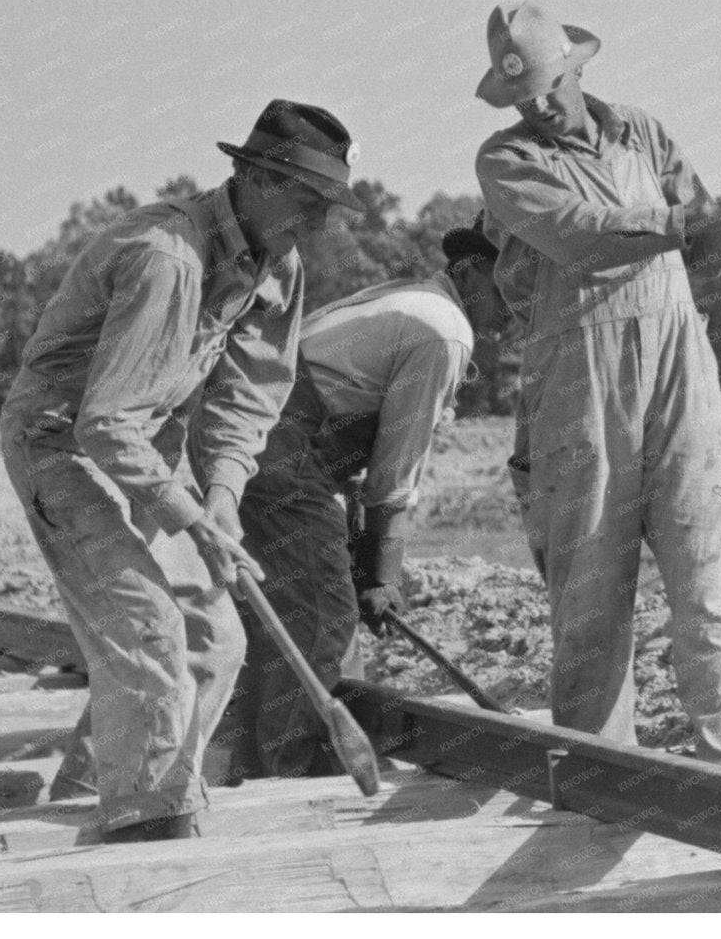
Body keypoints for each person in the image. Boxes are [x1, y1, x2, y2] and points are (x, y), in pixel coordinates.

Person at [1, 100, 358, 843]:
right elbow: (104, 420)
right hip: (60, 446)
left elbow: (247, 396)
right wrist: (186, 512)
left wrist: (223, 494)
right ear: (256, 178)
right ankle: (144, 824)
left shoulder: (277, 267)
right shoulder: (168, 256)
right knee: (149, 628)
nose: (317, 227)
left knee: (217, 640)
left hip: (144, 447)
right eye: (308, 204)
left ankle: (120, 792)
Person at [474, 0, 721, 770]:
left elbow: (709, 249)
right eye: (523, 95)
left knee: (709, 586)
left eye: (551, 85)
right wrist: (696, 219)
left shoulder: (641, 131)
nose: (539, 104)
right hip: (579, 388)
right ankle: (597, 780)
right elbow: (584, 234)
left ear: (579, 66)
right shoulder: (507, 161)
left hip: (679, 364)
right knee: (590, 602)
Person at [211, 222, 512, 778]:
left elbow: (352, 438)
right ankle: (292, 771)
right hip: (282, 442)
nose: (512, 312)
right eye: (504, 291)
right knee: (325, 613)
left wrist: (356, 545)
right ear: (470, 274)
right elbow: (396, 470)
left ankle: (260, 761)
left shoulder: (411, 300)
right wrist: (383, 574)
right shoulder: (444, 332)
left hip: (259, 434)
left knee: (282, 612)